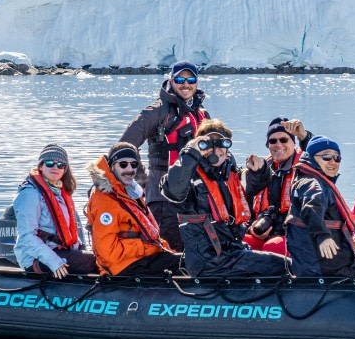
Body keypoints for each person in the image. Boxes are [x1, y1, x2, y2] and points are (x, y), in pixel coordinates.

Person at [163, 119, 289, 277]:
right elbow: (173, 190)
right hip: (209, 260)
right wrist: (190, 154)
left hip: (232, 251)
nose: (216, 150)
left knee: (284, 263)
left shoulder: (229, 175)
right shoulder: (188, 177)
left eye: (221, 144)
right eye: (209, 144)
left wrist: (261, 169)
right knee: (283, 266)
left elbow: (255, 184)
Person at [119, 60, 209, 251]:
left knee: (192, 249)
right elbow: (124, 146)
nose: (186, 84)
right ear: (171, 81)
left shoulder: (201, 113)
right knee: (169, 249)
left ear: (197, 82)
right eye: (180, 80)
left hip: (194, 196)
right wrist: (142, 181)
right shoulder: (157, 112)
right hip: (163, 199)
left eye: (190, 79)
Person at [285, 136, 355, 278]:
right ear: (312, 158)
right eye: (326, 157)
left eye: (337, 158)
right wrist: (323, 236)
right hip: (328, 267)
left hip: (313, 264)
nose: (333, 162)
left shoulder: (306, 180)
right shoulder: (313, 183)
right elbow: (312, 205)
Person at [86, 143, 181, 276]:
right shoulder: (105, 201)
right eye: (123, 164)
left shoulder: (129, 192)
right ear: (112, 166)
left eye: (134, 164)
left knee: (188, 261)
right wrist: (148, 247)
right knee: (184, 263)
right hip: (121, 266)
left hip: (138, 259)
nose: (130, 170)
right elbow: (108, 253)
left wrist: (165, 250)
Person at [12, 143, 98, 277]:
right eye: (50, 163)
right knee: (98, 262)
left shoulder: (59, 193)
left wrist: (80, 250)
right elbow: (26, 237)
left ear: (65, 169)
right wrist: (54, 262)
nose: (55, 167)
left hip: (60, 251)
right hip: (35, 258)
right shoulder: (30, 194)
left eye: (60, 165)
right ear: (41, 166)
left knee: (104, 257)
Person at [242, 117, 313, 255]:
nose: (278, 144)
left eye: (284, 140)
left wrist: (304, 137)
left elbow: (318, 157)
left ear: (294, 143)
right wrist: (252, 229)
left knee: (272, 247)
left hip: (298, 236)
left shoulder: (306, 167)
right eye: (272, 141)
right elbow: (245, 206)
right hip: (266, 234)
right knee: (239, 242)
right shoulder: (261, 169)